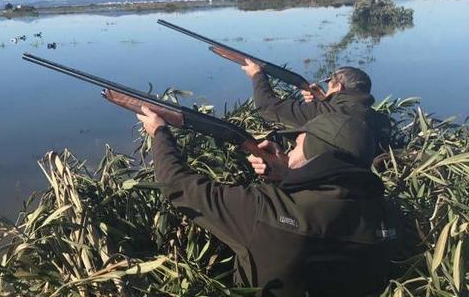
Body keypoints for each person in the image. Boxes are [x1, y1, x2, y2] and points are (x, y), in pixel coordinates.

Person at [137, 105, 393, 296]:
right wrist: (289, 175)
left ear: (316, 153)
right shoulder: (386, 214)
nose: (289, 150)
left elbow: (176, 184)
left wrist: (160, 132)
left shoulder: (263, 209)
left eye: (296, 145)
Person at [241, 59, 390, 150]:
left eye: (329, 84)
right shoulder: (382, 121)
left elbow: (267, 107)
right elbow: (344, 111)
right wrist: (324, 100)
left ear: (338, 87)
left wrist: (257, 74)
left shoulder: (326, 113)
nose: (327, 87)